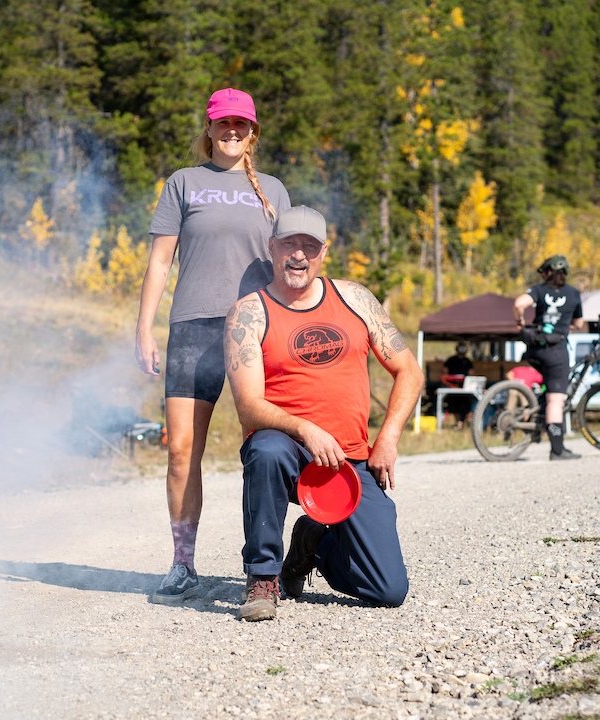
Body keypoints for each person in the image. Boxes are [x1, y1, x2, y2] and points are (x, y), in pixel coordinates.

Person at [223, 206, 423, 621]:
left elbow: (409, 371)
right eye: (290, 244)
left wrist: (386, 440)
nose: (299, 255)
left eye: (309, 247)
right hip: (288, 451)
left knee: (388, 590)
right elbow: (248, 405)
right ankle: (263, 578)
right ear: (272, 247)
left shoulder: (355, 299)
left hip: (349, 459)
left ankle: (309, 548)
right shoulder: (249, 313)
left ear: (324, 252)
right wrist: (304, 429)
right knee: (267, 451)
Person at [136, 88, 291, 604]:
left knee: (265, 451)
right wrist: (144, 329)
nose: (231, 133)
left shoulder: (272, 190)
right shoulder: (183, 183)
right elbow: (160, 262)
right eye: (222, 125)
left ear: (253, 132)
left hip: (256, 328)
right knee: (181, 452)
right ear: (208, 129)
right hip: (193, 328)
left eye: (240, 125)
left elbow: (294, 265)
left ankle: (263, 569)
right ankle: (182, 564)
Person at [513, 254, 585, 460]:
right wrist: (563, 324)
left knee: (548, 392)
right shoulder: (573, 293)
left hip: (534, 349)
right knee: (556, 400)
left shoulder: (538, 290)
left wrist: (519, 321)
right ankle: (557, 449)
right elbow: (579, 324)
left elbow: (519, 304)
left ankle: (538, 415)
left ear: (547, 272)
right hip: (556, 350)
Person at [442, 342, 475, 428]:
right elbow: (445, 373)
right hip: (452, 387)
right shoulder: (451, 360)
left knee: (466, 403)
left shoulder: (467, 361)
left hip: (465, 387)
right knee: (453, 403)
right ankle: (458, 423)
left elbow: (471, 374)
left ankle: (465, 422)